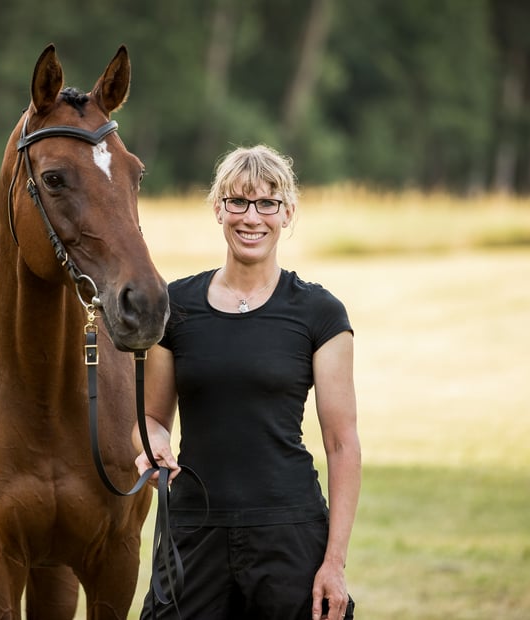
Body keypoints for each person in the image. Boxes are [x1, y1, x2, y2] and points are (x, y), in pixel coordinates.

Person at [133, 144, 360, 620]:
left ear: (287, 212)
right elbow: (152, 418)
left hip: (289, 530)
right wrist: (152, 445)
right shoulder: (177, 306)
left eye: (266, 203)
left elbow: (342, 444)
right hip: (194, 528)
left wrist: (333, 563)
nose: (251, 217)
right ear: (218, 209)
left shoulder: (320, 313)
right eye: (237, 202)